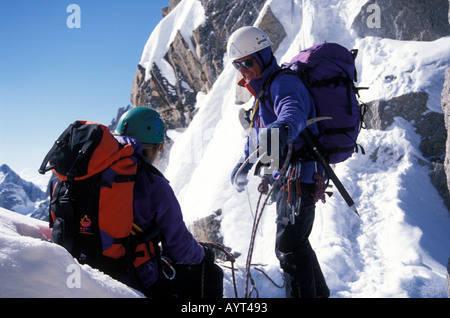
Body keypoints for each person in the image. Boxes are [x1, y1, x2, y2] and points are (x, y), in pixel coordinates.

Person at [227, 26, 330, 298]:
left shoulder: (283, 83)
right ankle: (320, 293)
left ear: (262, 55)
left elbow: (292, 111)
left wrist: (282, 128)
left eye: (247, 62)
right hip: (287, 179)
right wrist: (244, 163)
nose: (243, 70)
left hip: (301, 177)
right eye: (238, 65)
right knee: (295, 243)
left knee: (288, 247)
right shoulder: (263, 91)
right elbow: (257, 133)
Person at [114, 106, 223, 298]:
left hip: (87, 267)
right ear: (153, 148)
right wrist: (203, 254)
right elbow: (179, 247)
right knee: (212, 273)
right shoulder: (152, 183)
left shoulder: (95, 171)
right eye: (158, 147)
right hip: (135, 276)